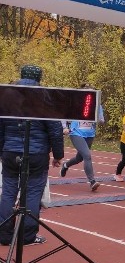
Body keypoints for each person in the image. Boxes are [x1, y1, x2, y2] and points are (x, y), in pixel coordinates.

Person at [0, 65, 65, 246]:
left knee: (8, 192)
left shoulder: (6, 97)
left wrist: (2, 151)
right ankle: (27, 237)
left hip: (10, 151)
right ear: (39, 78)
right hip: (36, 153)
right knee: (33, 193)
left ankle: (4, 235)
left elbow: (0, 127)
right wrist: (58, 155)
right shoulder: (46, 98)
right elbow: (55, 129)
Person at [60, 85, 104, 192]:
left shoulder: (97, 105)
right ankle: (92, 181)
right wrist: (65, 127)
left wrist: (97, 118)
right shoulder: (75, 103)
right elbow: (63, 115)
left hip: (90, 134)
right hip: (76, 133)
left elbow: (101, 120)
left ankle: (66, 165)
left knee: (80, 158)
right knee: (87, 156)